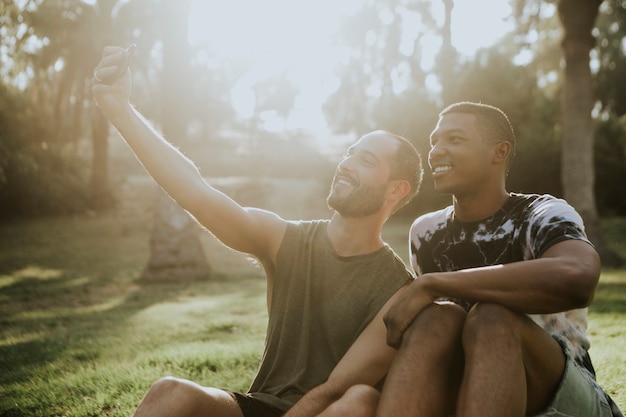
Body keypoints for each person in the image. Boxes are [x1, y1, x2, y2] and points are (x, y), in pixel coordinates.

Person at [91, 46, 423, 417]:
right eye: (349, 153)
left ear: (395, 189)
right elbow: (195, 191)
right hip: (261, 406)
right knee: (170, 392)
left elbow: (338, 389)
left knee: (360, 401)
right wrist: (119, 108)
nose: (345, 165)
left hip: (328, 412)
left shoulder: (399, 291)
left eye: (366, 160)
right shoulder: (285, 240)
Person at [324, 101, 622, 417]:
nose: (436, 151)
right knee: (438, 318)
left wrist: (432, 284)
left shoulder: (541, 213)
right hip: (476, 394)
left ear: (499, 152)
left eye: (454, 139)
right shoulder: (427, 232)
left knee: (492, 318)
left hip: (561, 397)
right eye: (434, 141)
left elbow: (577, 277)